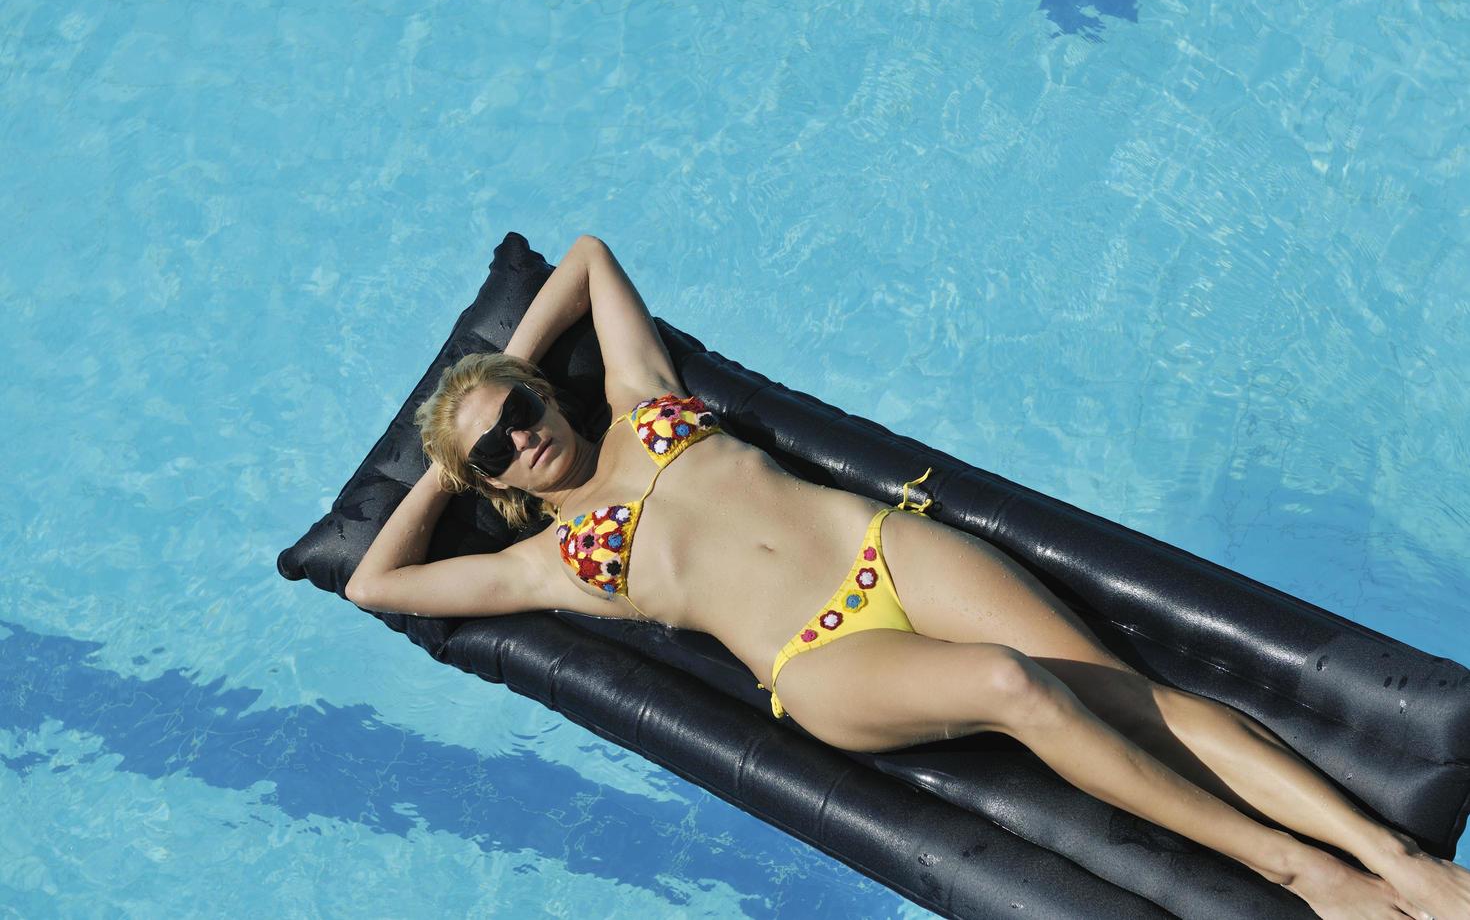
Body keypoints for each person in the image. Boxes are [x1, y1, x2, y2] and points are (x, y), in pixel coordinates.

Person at [346, 234, 1469, 920]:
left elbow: (585, 254)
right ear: (486, 481)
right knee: (1012, 686)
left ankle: (1392, 856)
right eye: (493, 450)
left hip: (884, 547)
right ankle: (1298, 872)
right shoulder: (546, 559)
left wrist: (489, 368)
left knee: (1138, 695)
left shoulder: (643, 399)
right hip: (823, 660)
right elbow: (374, 584)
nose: (519, 441)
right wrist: (443, 465)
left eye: (521, 410)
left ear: (544, 391)